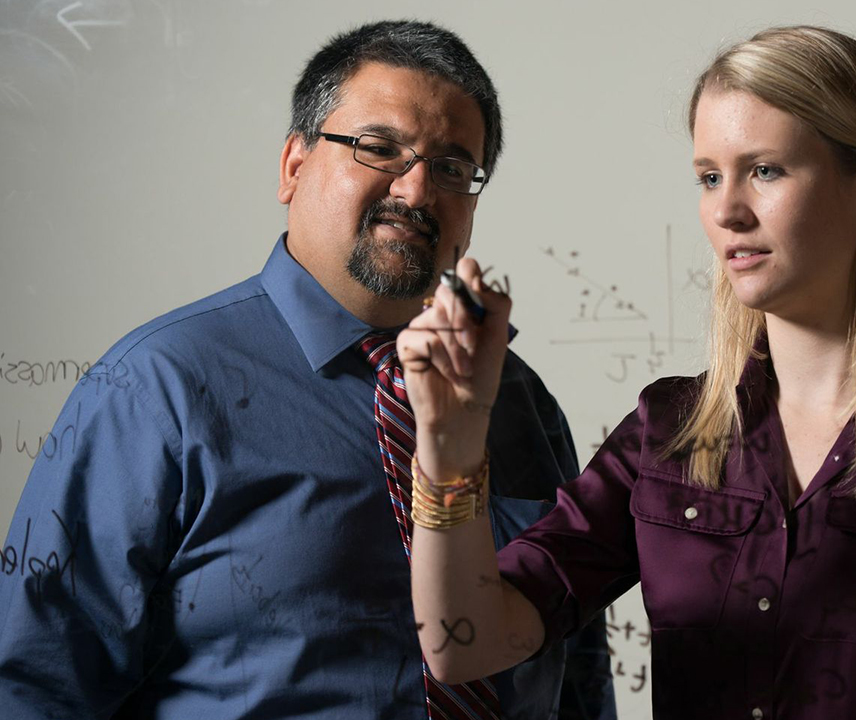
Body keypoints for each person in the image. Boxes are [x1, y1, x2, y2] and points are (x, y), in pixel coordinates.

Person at [397, 25, 856, 720]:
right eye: (710, 177)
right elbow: (467, 647)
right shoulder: (666, 433)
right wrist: (449, 446)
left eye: (764, 170)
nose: (727, 210)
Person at [0, 20, 616, 720]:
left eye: (451, 168)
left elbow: (579, 671)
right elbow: (39, 686)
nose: (416, 193)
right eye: (379, 148)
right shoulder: (157, 388)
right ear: (294, 165)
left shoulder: (517, 397)